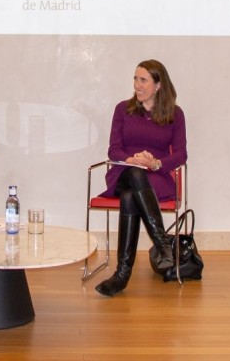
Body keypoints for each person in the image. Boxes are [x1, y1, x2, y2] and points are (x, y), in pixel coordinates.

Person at [94, 59, 187, 297]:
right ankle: (162, 243)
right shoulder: (122, 109)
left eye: (143, 80)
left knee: (130, 197)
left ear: (158, 85)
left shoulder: (175, 114)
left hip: (156, 178)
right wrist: (132, 160)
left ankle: (122, 275)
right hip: (123, 172)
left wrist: (156, 163)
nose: (137, 85)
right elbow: (113, 150)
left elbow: (180, 154)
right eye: (135, 79)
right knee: (134, 177)